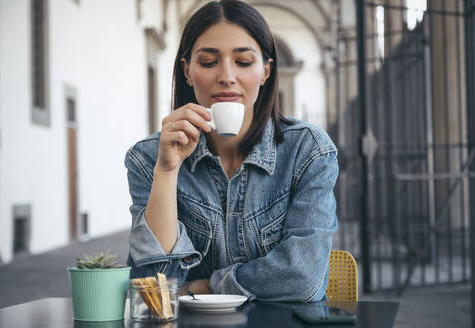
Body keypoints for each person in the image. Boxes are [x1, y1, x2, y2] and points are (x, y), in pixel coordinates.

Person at [124, 0, 338, 302]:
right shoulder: (148, 159)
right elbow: (154, 289)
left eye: (243, 61)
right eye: (209, 62)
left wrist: (208, 286)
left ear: (265, 71)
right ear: (187, 71)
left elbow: (303, 276)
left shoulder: (308, 152)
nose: (226, 76)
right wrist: (167, 171)